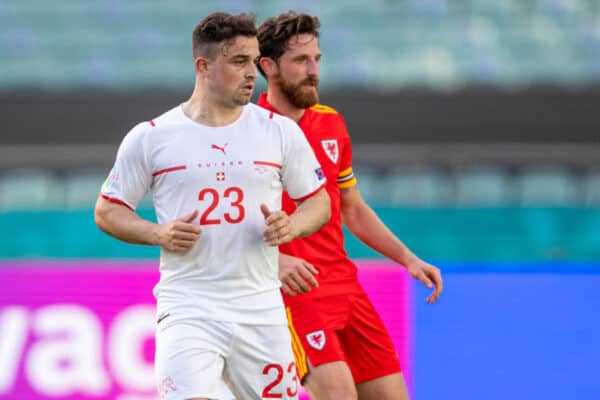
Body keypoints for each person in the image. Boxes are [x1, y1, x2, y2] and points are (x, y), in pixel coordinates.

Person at [94, 12, 331, 400]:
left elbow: (318, 201)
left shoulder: (278, 132)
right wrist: (159, 233)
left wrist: (294, 225)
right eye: (238, 62)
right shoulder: (152, 137)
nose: (252, 73)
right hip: (189, 306)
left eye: (254, 61)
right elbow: (107, 210)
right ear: (203, 66)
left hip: (260, 307)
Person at [256, 12, 444, 400]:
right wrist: (272, 263)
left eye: (317, 60)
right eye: (301, 61)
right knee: (339, 393)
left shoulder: (331, 124)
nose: (313, 71)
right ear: (268, 66)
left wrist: (407, 258)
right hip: (293, 291)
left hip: (346, 285)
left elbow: (352, 208)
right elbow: (225, 221)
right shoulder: (246, 132)